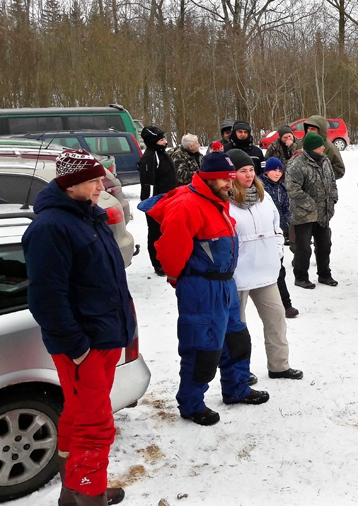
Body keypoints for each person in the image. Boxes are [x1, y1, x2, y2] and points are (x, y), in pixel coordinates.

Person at [23, 149, 134, 506]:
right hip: (83, 346)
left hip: (104, 336)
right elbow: (46, 298)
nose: (103, 186)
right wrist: (78, 347)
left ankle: (75, 492)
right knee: (94, 427)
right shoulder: (50, 228)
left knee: (76, 418)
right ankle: (90, 494)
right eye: (94, 180)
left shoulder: (89, 216)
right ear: (71, 186)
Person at [147, 152, 269, 427]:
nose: (231, 182)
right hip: (201, 288)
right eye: (226, 178)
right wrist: (183, 280)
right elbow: (169, 252)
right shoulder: (188, 205)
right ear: (211, 179)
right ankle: (192, 404)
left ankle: (236, 387)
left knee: (237, 340)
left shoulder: (218, 201)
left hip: (225, 283)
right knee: (202, 348)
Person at [228, 149, 304, 380]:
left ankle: (279, 365)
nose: (249, 175)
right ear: (232, 174)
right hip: (238, 274)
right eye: (243, 171)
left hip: (265, 270)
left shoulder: (263, 195)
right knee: (237, 327)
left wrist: (277, 248)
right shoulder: (223, 200)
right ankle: (240, 372)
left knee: (276, 318)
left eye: (251, 170)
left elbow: (276, 225)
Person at [286, 133, 339, 289]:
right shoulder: (296, 164)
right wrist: (312, 205)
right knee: (303, 248)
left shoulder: (325, 160)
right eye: (320, 146)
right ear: (311, 149)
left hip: (324, 213)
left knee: (325, 245)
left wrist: (333, 198)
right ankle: (301, 277)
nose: (323, 147)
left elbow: (332, 182)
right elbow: (293, 189)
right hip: (304, 215)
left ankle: (324, 274)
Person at [138, 125, 178, 276]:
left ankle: (168, 259)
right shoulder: (150, 157)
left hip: (169, 200)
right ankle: (157, 263)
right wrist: (150, 206)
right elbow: (147, 183)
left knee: (168, 231)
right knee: (156, 232)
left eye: (164, 138)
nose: (165, 142)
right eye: (161, 139)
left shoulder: (161, 154)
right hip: (156, 203)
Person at [261, 157, 298, 318]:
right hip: (262, 234)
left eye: (279, 170)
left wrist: (288, 222)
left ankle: (286, 304)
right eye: (273, 170)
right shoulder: (259, 187)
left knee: (279, 268)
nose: (276, 173)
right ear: (266, 171)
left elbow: (286, 208)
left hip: (277, 233)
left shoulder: (282, 188)